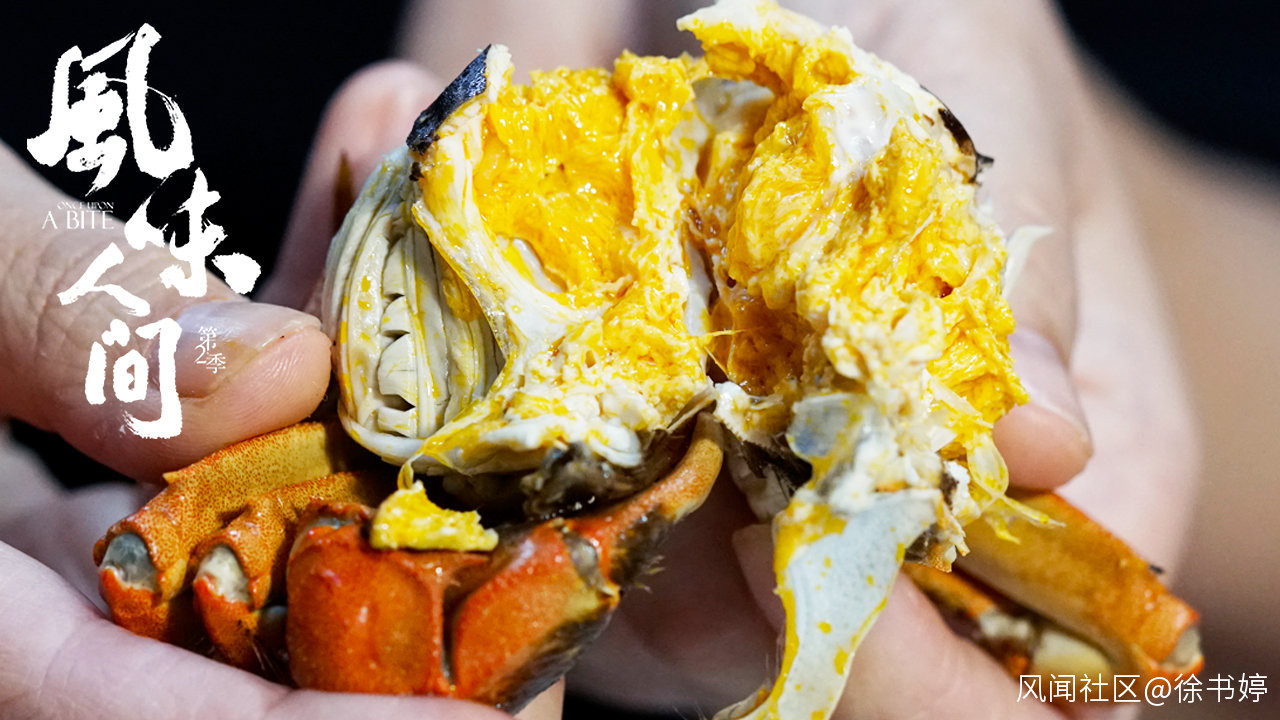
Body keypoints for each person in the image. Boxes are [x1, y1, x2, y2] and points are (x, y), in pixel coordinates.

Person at [0, 1, 1200, 718]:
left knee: (1138, 649)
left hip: (860, 424)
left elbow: (1177, 658)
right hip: (360, 434)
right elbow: (163, 561)